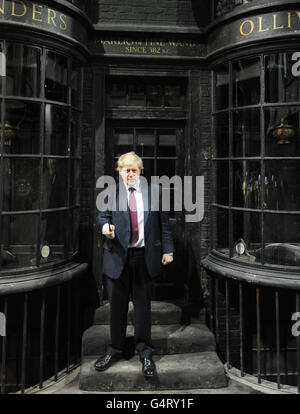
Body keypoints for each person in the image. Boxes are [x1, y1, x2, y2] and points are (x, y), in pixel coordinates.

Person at [95, 151, 174, 378]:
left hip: (143, 257)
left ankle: (145, 352)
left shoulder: (155, 192)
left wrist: (168, 249)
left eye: (134, 170)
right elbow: (102, 218)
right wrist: (105, 229)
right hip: (117, 257)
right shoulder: (110, 193)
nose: (130, 173)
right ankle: (115, 350)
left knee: (143, 309)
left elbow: (164, 225)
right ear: (119, 172)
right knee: (117, 309)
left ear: (140, 172)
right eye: (125, 169)